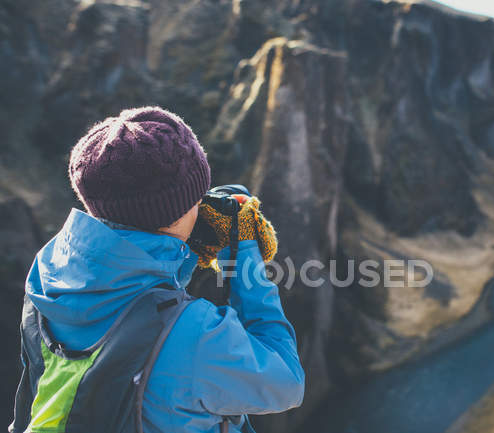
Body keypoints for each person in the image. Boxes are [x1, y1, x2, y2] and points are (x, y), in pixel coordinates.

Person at [9, 107, 305, 433]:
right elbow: (286, 382)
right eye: (195, 197)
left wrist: (183, 250)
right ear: (178, 213)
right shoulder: (196, 333)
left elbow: (137, 300)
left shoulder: (45, 276)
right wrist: (242, 257)